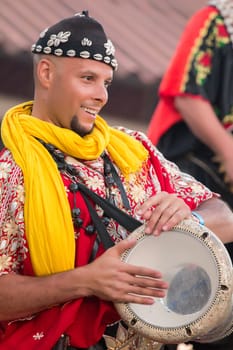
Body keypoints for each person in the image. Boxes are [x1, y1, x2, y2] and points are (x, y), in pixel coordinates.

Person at [0, 10, 233, 350]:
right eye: (88, 78)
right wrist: (85, 281)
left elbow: (224, 217)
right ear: (47, 73)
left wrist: (188, 217)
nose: (102, 95)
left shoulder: (134, 150)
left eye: (106, 83)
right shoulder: (10, 172)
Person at [147, 1, 233, 349]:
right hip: (196, 175)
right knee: (186, 291)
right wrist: (229, 151)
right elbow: (187, 95)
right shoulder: (216, 21)